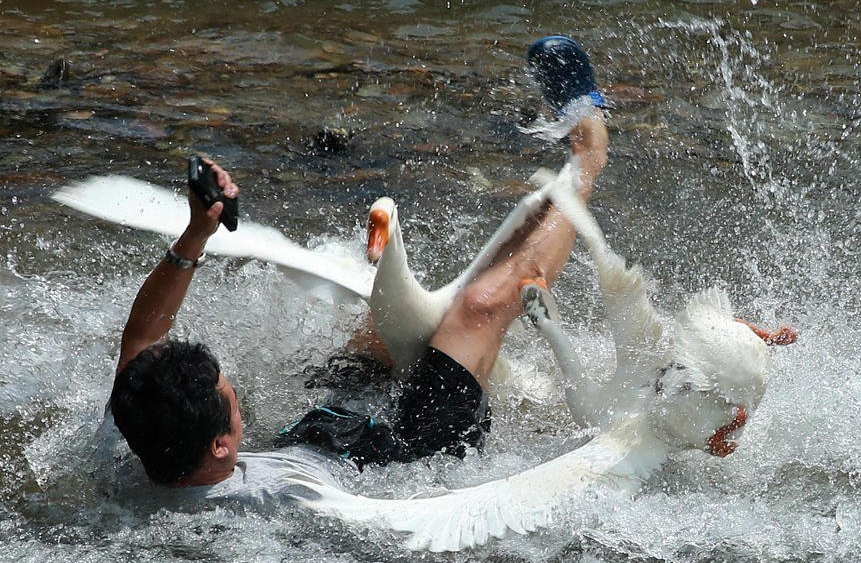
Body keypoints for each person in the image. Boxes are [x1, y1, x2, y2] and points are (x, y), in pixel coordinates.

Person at [108, 37, 609, 499]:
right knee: (479, 307)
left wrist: (197, 232)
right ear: (220, 446)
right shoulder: (271, 506)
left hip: (317, 437)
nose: (232, 387)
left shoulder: (139, 426)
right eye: (229, 394)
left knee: (380, 328)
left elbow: (142, 342)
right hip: (405, 458)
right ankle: (589, 154)